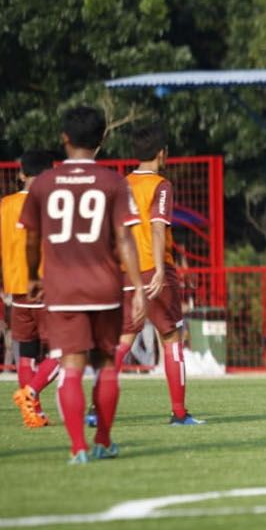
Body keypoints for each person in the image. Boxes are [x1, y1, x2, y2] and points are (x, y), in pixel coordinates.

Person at [14, 107, 147, 463]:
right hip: (104, 287)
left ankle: (78, 449)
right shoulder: (113, 181)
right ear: (102, 139)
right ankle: (103, 440)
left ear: (64, 139)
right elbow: (124, 238)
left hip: (61, 288)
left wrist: (31, 277)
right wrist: (135, 286)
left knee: (71, 367)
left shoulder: (43, 183)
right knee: (105, 365)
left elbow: (30, 239)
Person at [109, 124, 204, 425]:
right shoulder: (161, 185)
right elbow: (157, 226)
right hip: (153, 268)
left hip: (127, 270)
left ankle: (96, 410)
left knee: (124, 338)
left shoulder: (121, 184)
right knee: (171, 336)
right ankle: (179, 413)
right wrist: (161, 269)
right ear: (162, 153)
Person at [0, 150, 62, 427]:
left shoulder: (4, 204)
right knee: (64, 353)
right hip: (46, 289)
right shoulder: (50, 204)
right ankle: (31, 392)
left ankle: (33, 414)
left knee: (26, 353)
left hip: (17, 292)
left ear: (21, 174)